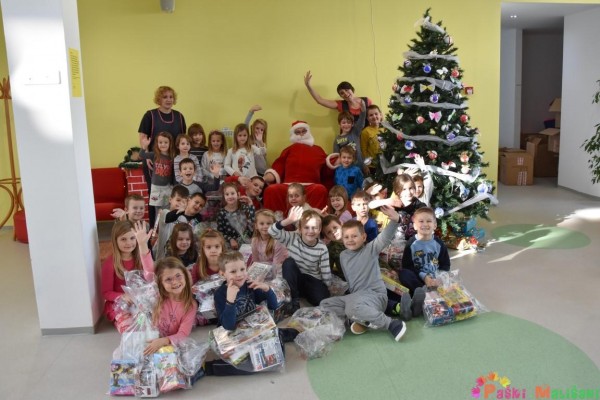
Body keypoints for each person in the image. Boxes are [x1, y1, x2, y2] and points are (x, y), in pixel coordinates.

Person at [320, 205, 414, 342]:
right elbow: (350, 279)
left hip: (375, 296)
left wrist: (395, 220)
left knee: (351, 309)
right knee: (325, 304)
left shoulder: (370, 249)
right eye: (346, 237)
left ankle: (391, 324)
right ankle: (360, 320)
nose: (350, 239)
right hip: (357, 296)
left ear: (363, 237)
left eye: (354, 236)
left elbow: (384, 238)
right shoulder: (343, 255)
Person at [138, 86, 186, 226]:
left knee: (174, 193)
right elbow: (143, 138)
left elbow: (182, 140)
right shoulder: (150, 115)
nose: (168, 100)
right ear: (158, 99)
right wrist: (147, 157)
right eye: (165, 97)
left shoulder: (179, 117)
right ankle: (155, 229)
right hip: (154, 162)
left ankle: (173, 226)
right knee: (154, 197)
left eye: (171, 97)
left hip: (173, 162)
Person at [263, 121, 333, 213]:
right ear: (293, 134)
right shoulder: (288, 150)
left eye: (303, 131)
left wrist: (337, 160)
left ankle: (315, 218)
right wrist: (267, 177)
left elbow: (327, 166)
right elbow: (279, 165)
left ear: (308, 132)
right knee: (271, 190)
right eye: (297, 132)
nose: (301, 134)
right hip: (289, 185)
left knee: (320, 190)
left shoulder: (318, 150)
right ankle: (273, 219)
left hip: (310, 185)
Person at [269, 207, 331, 311]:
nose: (310, 231)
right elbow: (271, 231)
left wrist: (327, 286)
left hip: (312, 278)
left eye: (314, 228)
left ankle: (303, 293)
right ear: (300, 229)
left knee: (323, 299)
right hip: (295, 277)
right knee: (288, 263)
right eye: (306, 227)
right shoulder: (292, 237)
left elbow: (325, 271)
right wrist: (288, 220)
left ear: (320, 229)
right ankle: (294, 298)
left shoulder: (322, 248)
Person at [101, 220, 154, 326]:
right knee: (131, 324)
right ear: (115, 241)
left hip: (139, 302)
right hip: (119, 304)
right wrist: (123, 296)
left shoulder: (141, 258)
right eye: (123, 239)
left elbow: (151, 276)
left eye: (132, 238)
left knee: (152, 320)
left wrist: (143, 245)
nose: (128, 243)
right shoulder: (110, 263)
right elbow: (106, 293)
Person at [143, 257, 197, 355]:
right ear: (160, 283)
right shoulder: (155, 296)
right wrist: (143, 247)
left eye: (178, 276)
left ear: (185, 276)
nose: (175, 282)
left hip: (171, 344)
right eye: (168, 279)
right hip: (148, 341)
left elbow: (183, 334)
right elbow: (149, 273)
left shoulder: (190, 305)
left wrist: (164, 341)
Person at [399, 207, 451, 296]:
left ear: (435, 225)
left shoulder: (439, 243)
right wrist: (424, 277)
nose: (425, 224)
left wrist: (439, 278)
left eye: (429, 221)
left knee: (449, 278)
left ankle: (433, 289)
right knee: (404, 274)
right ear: (415, 226)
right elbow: (407, 266)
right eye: (421, 221)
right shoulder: (411, 244)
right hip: (418, 278)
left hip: (435, 278)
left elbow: (445, 265)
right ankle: (424, 292)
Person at [303, 71, 372, 126]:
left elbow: (374, 116)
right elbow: (320, 100)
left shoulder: (366, 101)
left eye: (347, 90)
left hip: (367, 135)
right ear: (341, 96)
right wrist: (308, 86)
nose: (345, 94)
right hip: (350, 138)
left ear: (352, 89)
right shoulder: (341, 105)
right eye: (342, 93)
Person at [140, 132, 175, 220]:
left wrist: (173, 185)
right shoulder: (155, 154)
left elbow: (173, 173)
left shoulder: (172, 156)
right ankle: (157, 227)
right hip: (156, 189)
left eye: (166, 142)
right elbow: (141, 155)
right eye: (160, 142)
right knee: (158, 210)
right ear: (157, 143)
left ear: (170, 143)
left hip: (167, 188)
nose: (163, 144)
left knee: (167, 208)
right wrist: (144, 147)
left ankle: (166, 226)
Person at [152, 185, 189, 260]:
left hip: (176, 259)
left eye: (183, 202)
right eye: (178, 200)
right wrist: (180, 210)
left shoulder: (183, 219)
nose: (180, 204)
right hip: (162, 259)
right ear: (170, 199)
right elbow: (170, 217)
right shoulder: (164, 212)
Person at [217, 182, 256, 250]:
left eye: (232, 193)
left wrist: (250, 204)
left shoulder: (244, 208)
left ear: (238, 194)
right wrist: (230, 239)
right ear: (224, 197)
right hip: (230, 245)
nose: (230, 196)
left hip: (247, 243)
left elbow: (252, 223)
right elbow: (220, 232)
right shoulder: (221, 213)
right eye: (227, 194)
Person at [243, 104, 269, 175]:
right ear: (253, 128)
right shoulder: (248, 139)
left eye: (261, 130)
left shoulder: (263, 143)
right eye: (257, 128)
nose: (259, 131)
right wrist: (251, 111)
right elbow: (245, 125)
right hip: (251, 171)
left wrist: (260, 142)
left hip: (262, 171)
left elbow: (263, 153)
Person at [321, 215, 346, 280]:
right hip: (346, 280)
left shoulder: (354, 236)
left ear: (341, 224)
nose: (333, 232)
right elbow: (328, 270)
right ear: (326, 237)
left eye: (335, 227)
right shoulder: (330, 249)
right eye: (329, 232)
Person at [360, 104, 384, 172]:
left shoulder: (385, 128)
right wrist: (366, 165)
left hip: (386, 163)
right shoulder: (365, 132)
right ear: (367, 118)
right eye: (371, 115)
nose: (374, 116)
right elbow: (363, 150)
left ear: (380, 115)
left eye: (376, 114)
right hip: (372, 165)